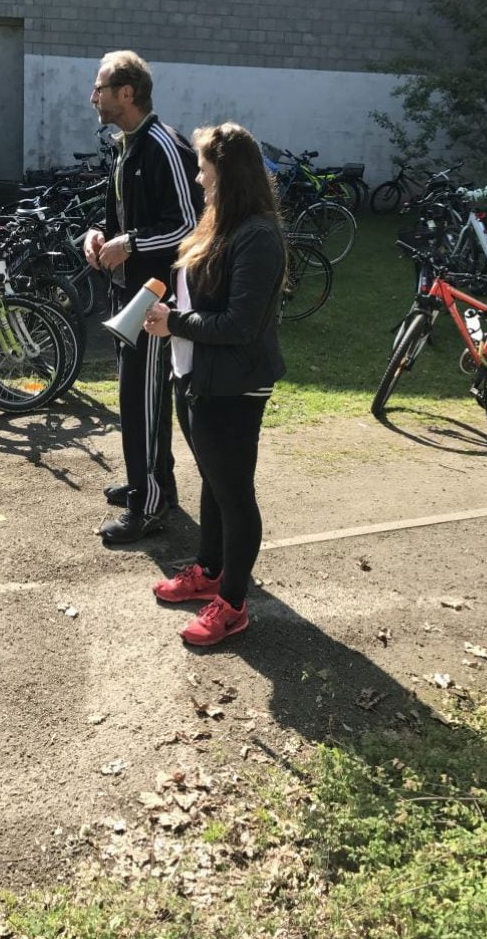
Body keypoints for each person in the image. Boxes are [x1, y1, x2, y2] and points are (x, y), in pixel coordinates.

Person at [143, 123, 286, 646]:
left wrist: (174, 322)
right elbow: (206, 299)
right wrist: (170, 312)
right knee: (212, 479)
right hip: (196, 375)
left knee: (234, 493)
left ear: (228, 173)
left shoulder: (258, 236)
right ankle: (208, 570)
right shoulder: (219, 223)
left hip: (234, 385)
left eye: (204, 169)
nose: (199, 178)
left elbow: (240, 324)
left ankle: (233, 603)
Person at [83, 50, 202, 543]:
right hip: (128, 295)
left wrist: (128, 244)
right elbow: (124, 217)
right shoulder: (125, 145)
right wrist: (98, 234)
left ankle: (149, 505)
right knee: (137, 398)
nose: (93, 96)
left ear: (126, 93)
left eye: (100, 88)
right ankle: (150, 484)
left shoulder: (163, 145)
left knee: (144, 401)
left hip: (154, 302)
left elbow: (190, 225)